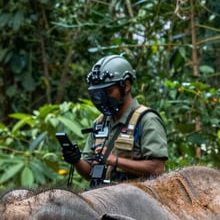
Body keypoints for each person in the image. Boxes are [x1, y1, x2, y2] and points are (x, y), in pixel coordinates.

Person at [60, 55, 168, 188]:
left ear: (126, 86)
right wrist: (76, 160)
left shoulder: (147, 120)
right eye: (99, 93)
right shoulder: (100, 123)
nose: (103, 98)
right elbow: (89, 173)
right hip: (101, 199)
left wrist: (115, 161)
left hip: (135, 201)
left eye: (109, 91)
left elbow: (157, 168)